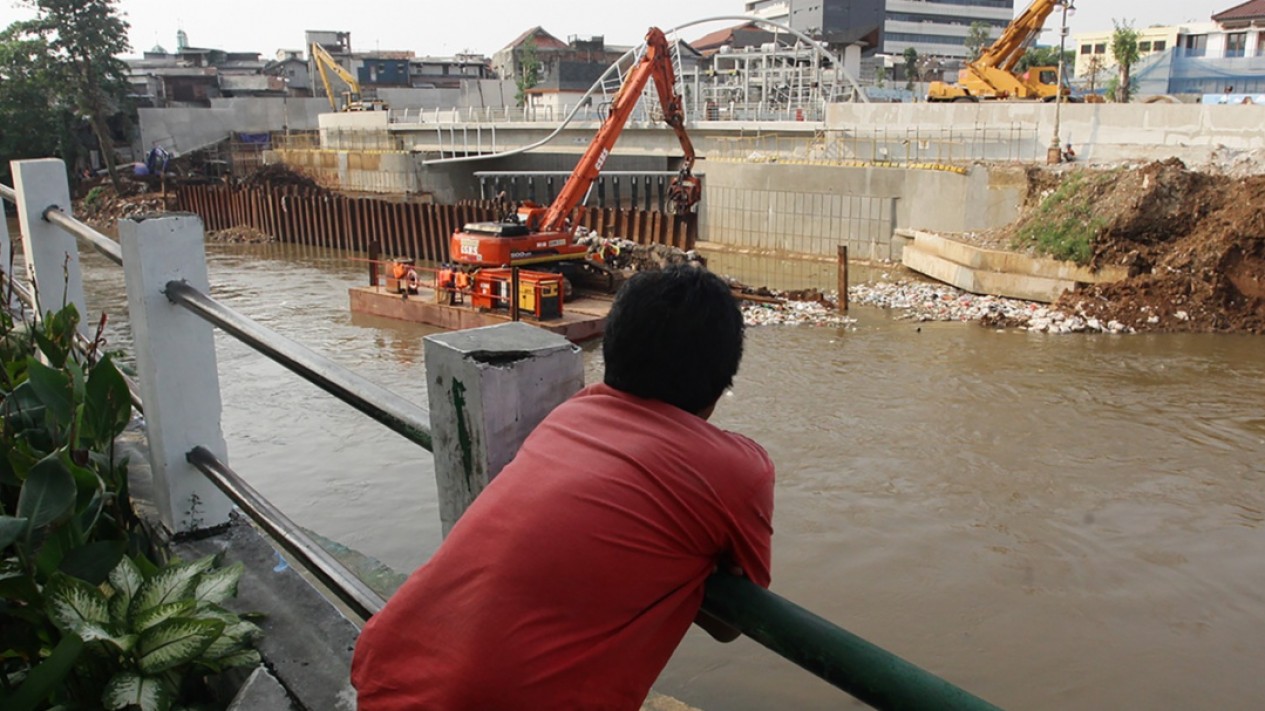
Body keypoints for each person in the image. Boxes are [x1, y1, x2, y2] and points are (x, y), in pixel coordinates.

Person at [352, 265, 775, 711]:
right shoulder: (740, 470)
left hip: (386, 674)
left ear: (612, 350)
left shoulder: (571, 414)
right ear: (722, 382)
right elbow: (733, 625)